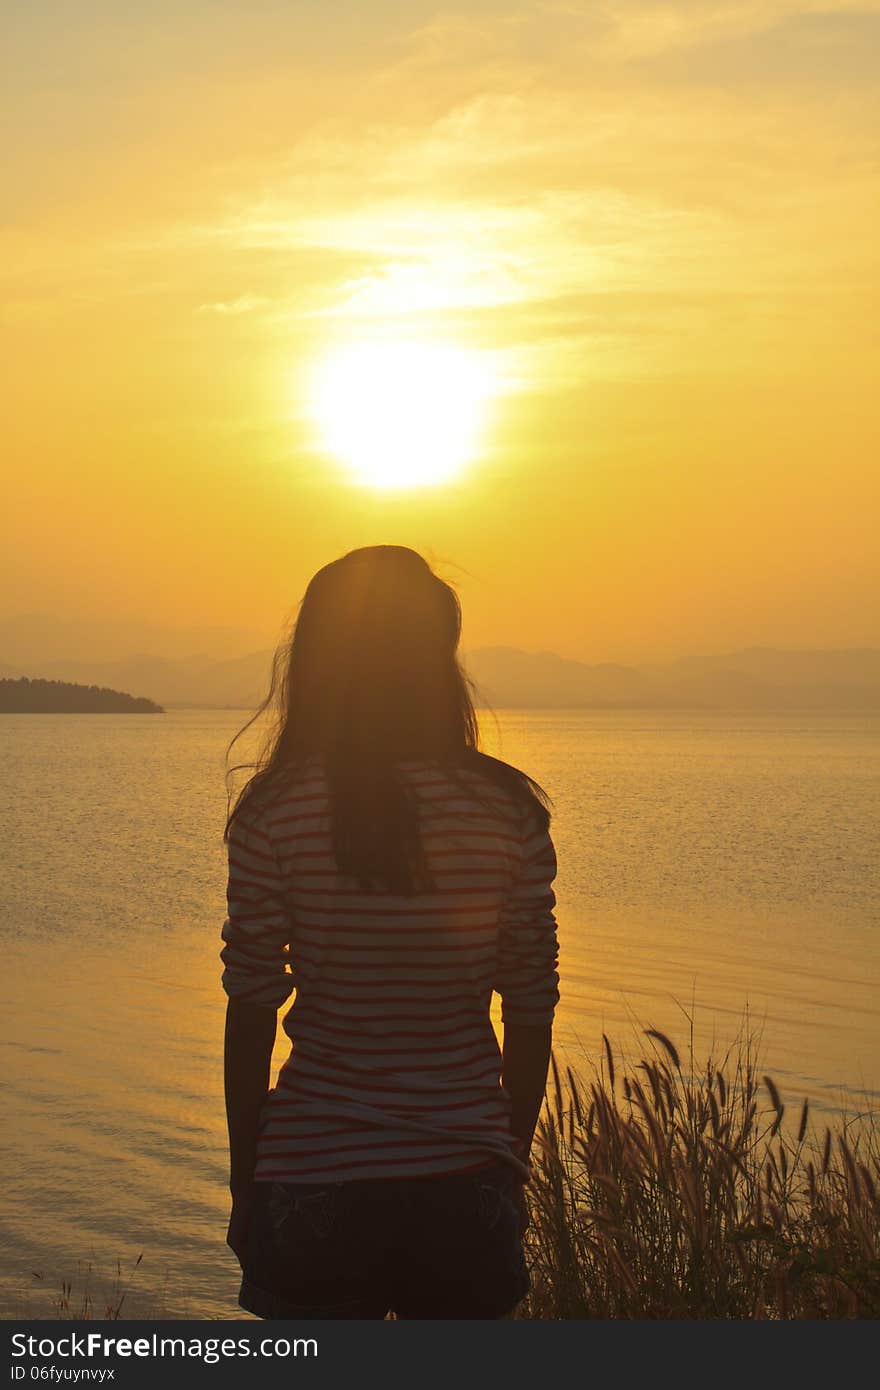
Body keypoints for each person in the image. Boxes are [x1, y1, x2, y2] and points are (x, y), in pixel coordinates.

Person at [220, 544, 559, 1319]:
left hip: (314, 1175)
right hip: (465, 1178)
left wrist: (248, 1181)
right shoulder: (508, 811)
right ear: (439, 654)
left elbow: (251, 1007)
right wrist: (506, 1160)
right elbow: (532, 1003)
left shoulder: (277, 810)